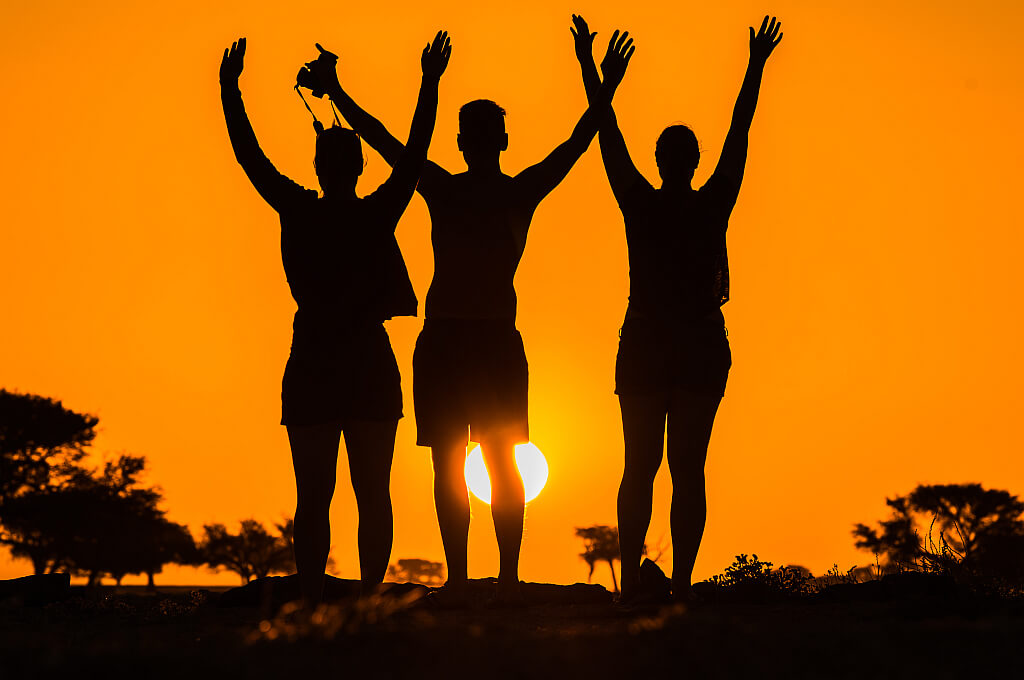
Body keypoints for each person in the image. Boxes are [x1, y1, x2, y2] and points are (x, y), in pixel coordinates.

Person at [305, 28, 634, 603]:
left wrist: (600, 81)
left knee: (464, 464)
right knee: (478, 462)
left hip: (471, 341)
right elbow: (578, 141)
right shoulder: (489, 190)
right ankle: (484, 580)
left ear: (470, 141)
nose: (482, 139)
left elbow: (388, 141)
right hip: (466, 340)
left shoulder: (464, 189)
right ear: (493, 140)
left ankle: (480, 579)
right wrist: (599, 80)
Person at [219, 32, 452, 605]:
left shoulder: (299, 208)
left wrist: (230, 92)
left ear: (321, 166)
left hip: (319, 363)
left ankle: (315, 598)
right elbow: (416, 152)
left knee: (316, 493)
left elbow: (249, 156)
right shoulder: (377, 211)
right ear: (357, 167)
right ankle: (369, 596)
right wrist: (429, 83)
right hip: (364, 365)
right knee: (372, 491)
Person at [571, 15, 783, 603]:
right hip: (692, 344)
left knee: (640, 466)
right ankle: (680, 583)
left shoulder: (639, 203)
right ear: (692, 161)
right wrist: (755, 66)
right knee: (685, 467)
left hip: (650, 344)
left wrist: (595, 71)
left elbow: (608, 136)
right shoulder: (711, 203)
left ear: (663, 160)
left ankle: (636, 584)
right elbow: (740, 131)